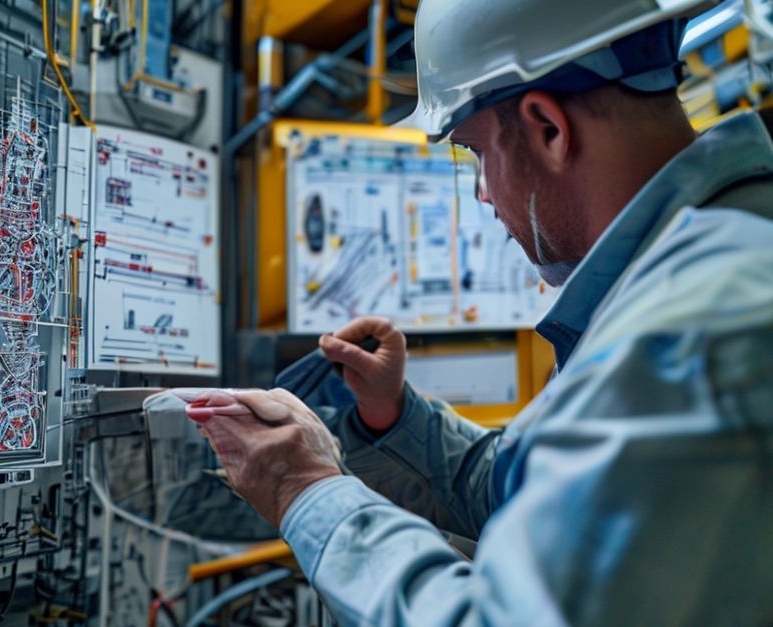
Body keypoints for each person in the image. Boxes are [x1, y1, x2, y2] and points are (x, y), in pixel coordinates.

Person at [194, 0, 773, 623]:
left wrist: (301, 491)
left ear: (548, 129)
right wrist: (395, 416)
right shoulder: (696, 268)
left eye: (473, 152)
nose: (482, 192)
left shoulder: (692, 334)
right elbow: (533, 485)